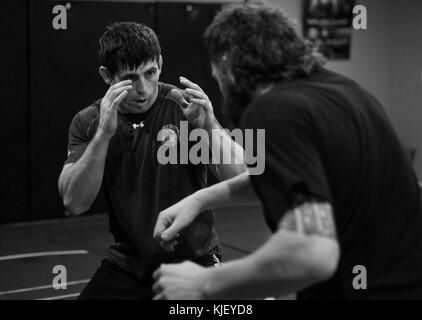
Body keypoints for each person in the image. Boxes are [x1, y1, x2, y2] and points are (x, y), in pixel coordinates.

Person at [152, 2, 422, 300]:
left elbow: (311, 254)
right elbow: (295, 179)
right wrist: (200, 200)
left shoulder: (275, 110)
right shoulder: (349, 92)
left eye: (216, 74)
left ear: (227, 65)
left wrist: (204, 283)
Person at [58, 22, 245, 299]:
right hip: (127, 263)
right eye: (131, 78)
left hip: (194, 260)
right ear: (107, 76)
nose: (143, 89)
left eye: (150, 73)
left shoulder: (185, 107)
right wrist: (103, 136)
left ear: (160, 63)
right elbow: (74, 203)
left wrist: (210, 127)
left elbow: (241, 179)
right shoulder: (90, 120)